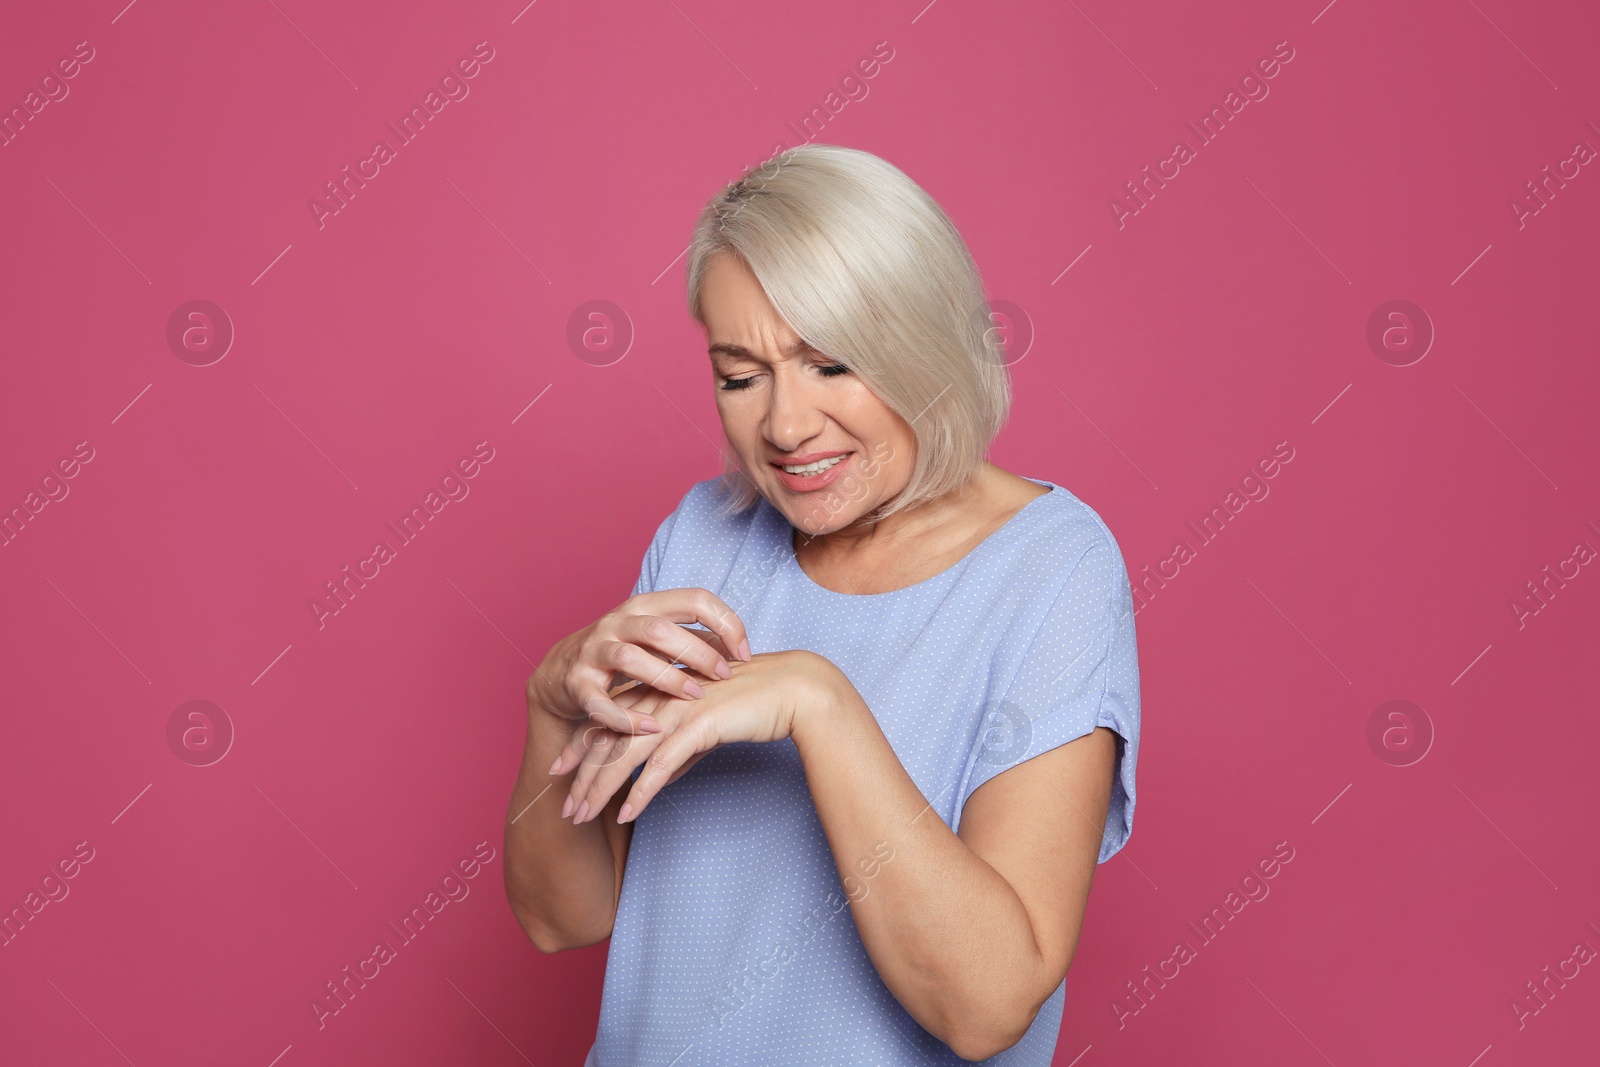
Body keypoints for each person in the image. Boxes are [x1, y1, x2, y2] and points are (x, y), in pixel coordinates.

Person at [502, 143, 1141, 1065]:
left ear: (922, 339)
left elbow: (987, 1004)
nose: (785, 425)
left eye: (831, 364)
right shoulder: (704, 539)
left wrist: (818, 701)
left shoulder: (1052, 570)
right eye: (740, 374)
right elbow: (564, 917)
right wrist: (547, 707)